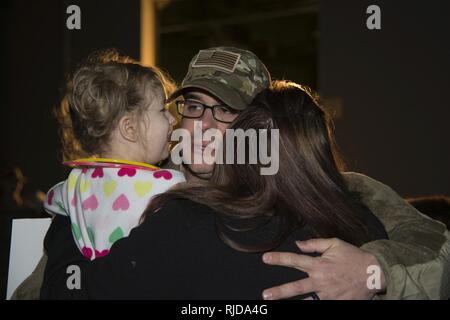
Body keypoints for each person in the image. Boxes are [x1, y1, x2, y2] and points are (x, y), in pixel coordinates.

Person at [40, 81, 389, 299]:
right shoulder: (357, 219)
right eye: (192, 107)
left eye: (225, 111)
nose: (204, 123)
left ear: (248, 130)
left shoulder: (182, 223)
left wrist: (71, 207)